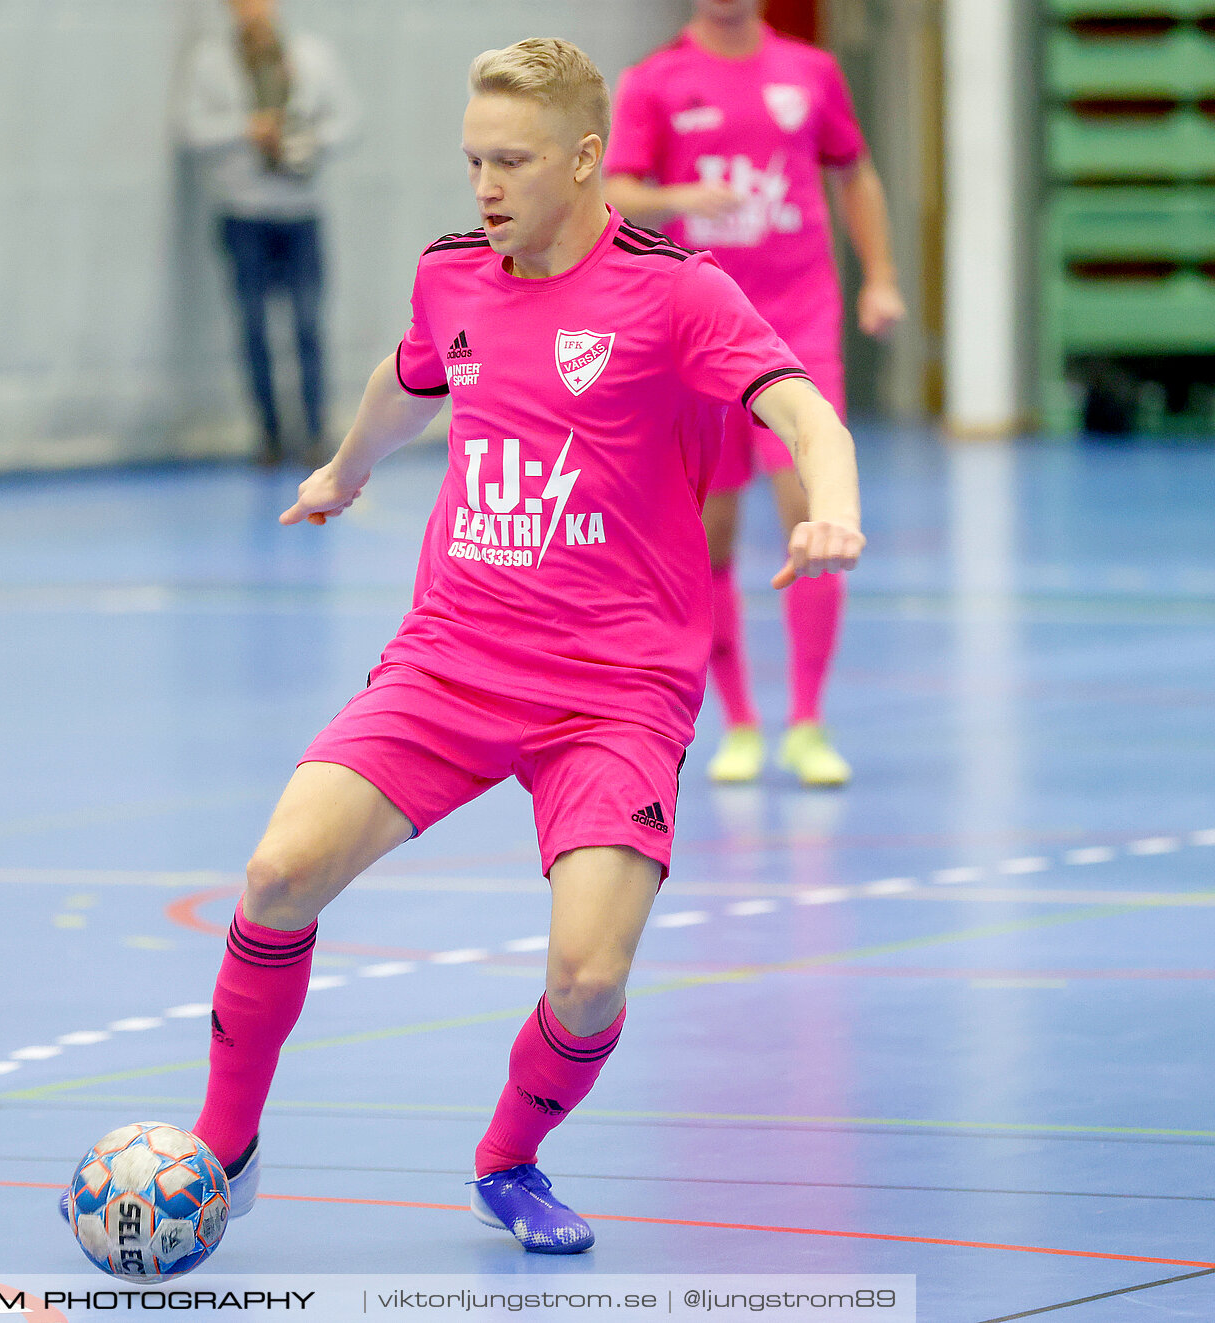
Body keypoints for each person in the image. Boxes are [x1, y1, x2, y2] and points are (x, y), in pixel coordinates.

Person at [70, 37, 863, 1254]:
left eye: (513, 161)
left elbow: (803, 406)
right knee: (279, 875)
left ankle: (510, 1159)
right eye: (473, 160)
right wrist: (345, 468)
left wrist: (832, 502)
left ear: (587, 160)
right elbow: (411, 377)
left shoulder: (677, 292)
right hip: (452, 657)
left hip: (617, 691)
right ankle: (224, 1148)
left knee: (589, 977)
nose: (485, 186)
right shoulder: (455, 275)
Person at [604, 0, 903, 786]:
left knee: (813, 514)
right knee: (709, 535)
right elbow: (616, 193)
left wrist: (879, 278)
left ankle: (807, 719)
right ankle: (737, 720)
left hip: (799, 327)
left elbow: (855, 171)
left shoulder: (811, 72)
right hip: (697, 339)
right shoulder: (654, 82)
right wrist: (678, 202)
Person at [181, 0, 355, 465]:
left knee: (307, 325)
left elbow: (346, 123)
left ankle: (317, 433)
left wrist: (305, 136)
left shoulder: (312, 55)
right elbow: (191, 131)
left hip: (300, 211)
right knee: (254, 326)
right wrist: (247, 131)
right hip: (244, 213)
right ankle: (270, 436)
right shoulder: (210, 61)